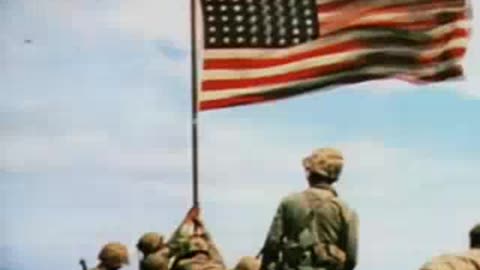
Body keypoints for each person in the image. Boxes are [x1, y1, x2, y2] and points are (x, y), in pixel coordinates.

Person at [260, 148, 358, 270]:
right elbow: (351, 258)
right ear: (335, 177)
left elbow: (271, 246)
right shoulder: (345, 210)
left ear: (310, 173)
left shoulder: (289, 202)